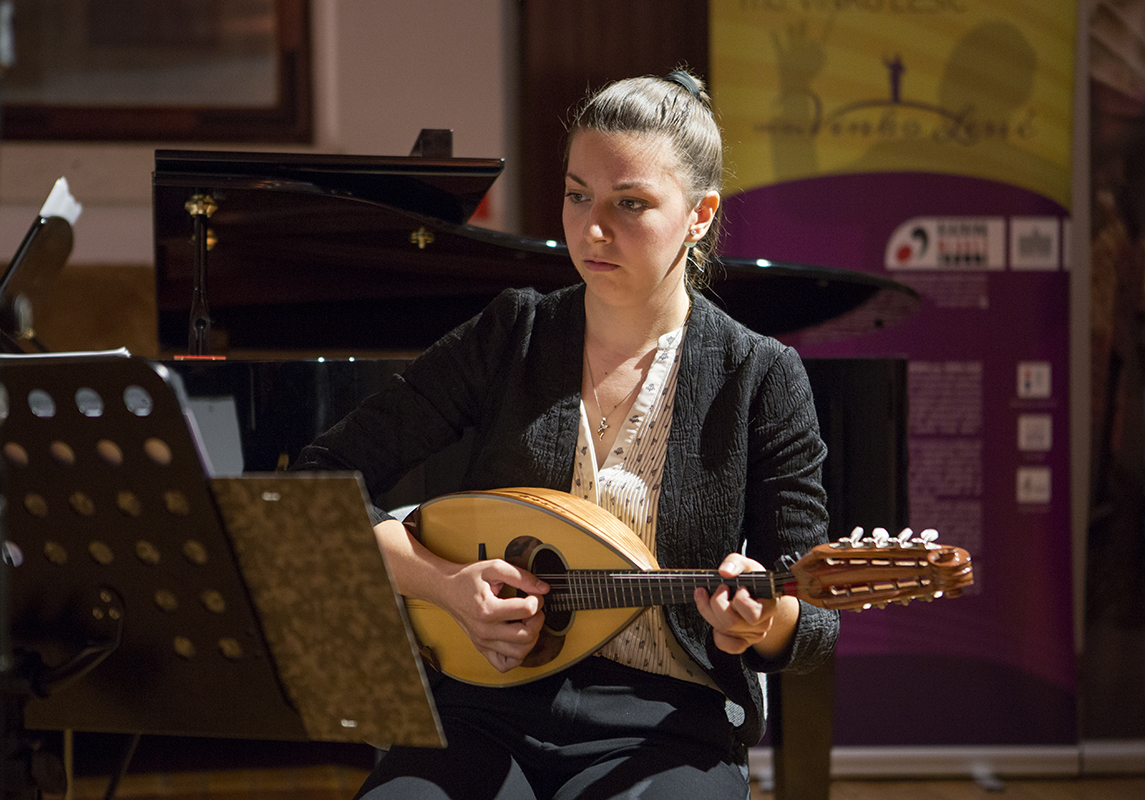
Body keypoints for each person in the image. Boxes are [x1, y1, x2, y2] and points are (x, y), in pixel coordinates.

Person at [293, 68, 839, 800]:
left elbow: (813, 613)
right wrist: (446, 586)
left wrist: (759, 620)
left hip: (668, 725)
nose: (591, 229)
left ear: (700, 214)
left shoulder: (759, 374)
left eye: (629, 203)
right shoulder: (513, 333)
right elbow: (318, 481)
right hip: (484, 705)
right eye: (578, 194)